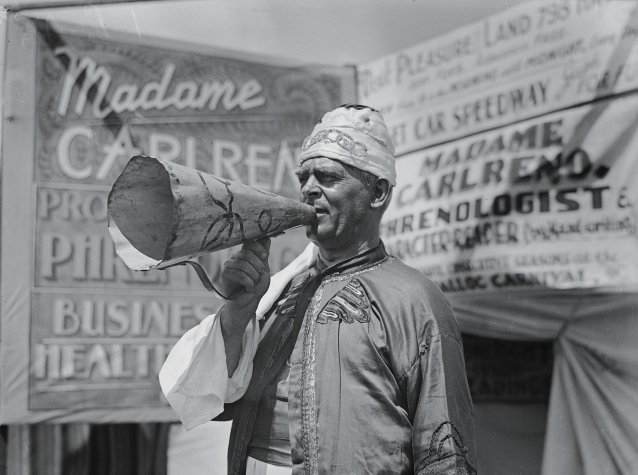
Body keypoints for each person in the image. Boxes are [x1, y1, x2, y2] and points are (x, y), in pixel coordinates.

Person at [160, 104, 476, 474]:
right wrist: (238, 311)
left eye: (326, 177)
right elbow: (216, 402)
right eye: (304, 177)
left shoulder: (415, 301)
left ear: (378, 192)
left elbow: (445, 450)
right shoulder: (283, 291)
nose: (309, 189)